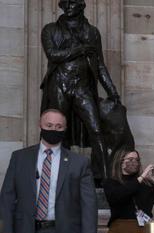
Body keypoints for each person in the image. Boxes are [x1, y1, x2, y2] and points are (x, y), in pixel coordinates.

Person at [40, 0, 121, 180]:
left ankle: (104, 178)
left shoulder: (92, 32)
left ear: (82, 6)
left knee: (97, 129)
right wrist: (80, 49)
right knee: (58, 130)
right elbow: (53, 54)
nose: (68, 6)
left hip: (83, 87)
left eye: (72, 3)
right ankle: (56, 175)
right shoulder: (50, 29)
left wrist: (112, 91)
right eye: (65, 3)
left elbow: (99, 65)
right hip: (59, 83)